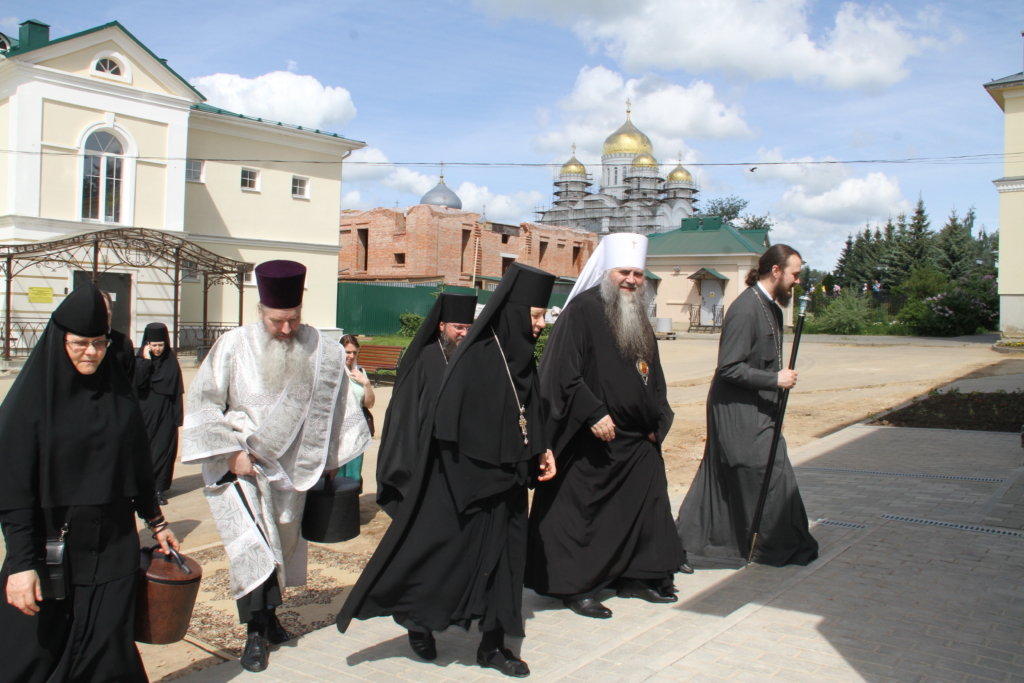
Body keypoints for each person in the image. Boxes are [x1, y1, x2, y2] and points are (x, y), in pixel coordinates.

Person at [337, 264, 557, 678]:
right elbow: (451, 429)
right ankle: (419, 622)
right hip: (465, 488)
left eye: (544, 316)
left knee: (506, 568)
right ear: (513, 313)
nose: (542, 325)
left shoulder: (521, 356)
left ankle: (494, 645)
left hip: (508, 487)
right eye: (536, 315)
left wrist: (541, 449)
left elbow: (532, 407)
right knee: (442, 564)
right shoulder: (475, 357)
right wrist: (496, 468)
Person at [180, 260, 370, 673]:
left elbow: (338, 405)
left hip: (296, 469)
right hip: (244, 467)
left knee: (281, 546)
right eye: (276, 321)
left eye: (293, 320)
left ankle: (270, 614)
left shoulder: (320, 348)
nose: (286, 330)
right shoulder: (232, 345)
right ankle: (254, 631)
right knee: (251, 547)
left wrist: (335, 459)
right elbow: (203, 402)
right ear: (260, 311)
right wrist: (231, 454)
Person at [0, 282, 179, 683]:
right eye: (81, 343)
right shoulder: (28, 405)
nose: (92, 353)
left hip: (115, 545)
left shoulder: (118, 392)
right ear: (59, 339)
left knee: (108, 648)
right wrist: (20, 565)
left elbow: (138, 465)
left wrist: (157, 523)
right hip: (54, 549)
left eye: (99, 343)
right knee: (34, 653)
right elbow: (13, 495)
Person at [526, 233, 688, 621]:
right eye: (624, 272)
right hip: (593, 436)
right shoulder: (581, 310)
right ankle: (574, 585)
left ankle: (637, 574)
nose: (631, 279)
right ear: (606, 273)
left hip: (636, 438)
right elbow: (560, 372)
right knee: (581, 512)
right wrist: (592, 412)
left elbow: (654, 375)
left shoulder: (639, 314)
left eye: (637, 273)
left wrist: (657, 418)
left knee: (646, 503)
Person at [676, 244, 819, 567]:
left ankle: (721, 541)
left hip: (759, 407)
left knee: (763, 470)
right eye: (795, 274)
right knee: (757, 471)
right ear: (776, 271)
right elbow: (728, 367)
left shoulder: (773, 309)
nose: (798, 281)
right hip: (736, 411)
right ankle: (746, 544)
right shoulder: (744, 309)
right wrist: (775, 380)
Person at [374, 292, 477, 517]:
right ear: (441, 325)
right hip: (424, 457)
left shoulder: (466, 358)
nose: (464, 334)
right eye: (458, 327)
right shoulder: (425, 359)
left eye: (469, 328)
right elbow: (406, 415)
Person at [136, 323, 184, 506]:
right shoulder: (139, 360)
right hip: (144, 414)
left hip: (165, 414)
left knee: (163, 450)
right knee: (144, 451)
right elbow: (138, 383)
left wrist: (177, 417)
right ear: (147, 344)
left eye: (160, 345)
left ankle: (158, 489)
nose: (157, 348)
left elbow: (177, 392)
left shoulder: (171, 361)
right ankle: (142, 488)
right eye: (153, 345)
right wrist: (146, 361)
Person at [336, 334, 376, 488]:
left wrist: (365, 383)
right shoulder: (333, 373)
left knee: (354, 474)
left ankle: (351, 506)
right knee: (337, 471)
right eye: (347, 352)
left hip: (357, 430)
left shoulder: (359, 372)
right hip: (338, 431)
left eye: (354, 352)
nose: (351, 356)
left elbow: (369, 403)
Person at [100, 291, 136, 384]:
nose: (103, 318)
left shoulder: (124, 342)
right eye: (100, 313)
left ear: (111, 313)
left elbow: (131, 380)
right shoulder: (80, 342)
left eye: (106, 314)